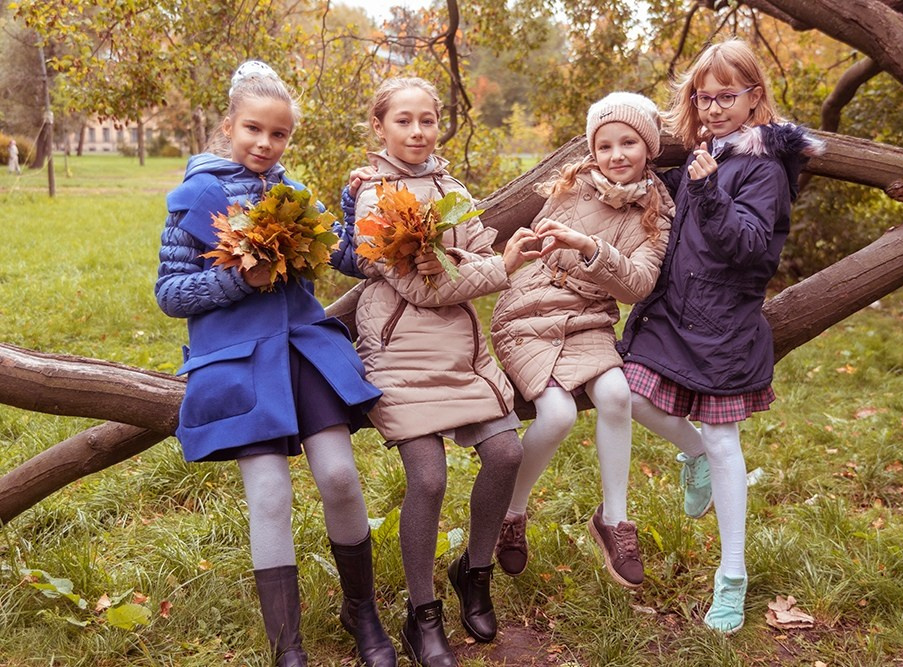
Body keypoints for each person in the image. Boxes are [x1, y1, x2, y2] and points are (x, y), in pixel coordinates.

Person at [154, 61, 396, 667]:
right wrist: (238, 278)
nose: (265, 144)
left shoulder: (294, 194)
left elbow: (349, 255)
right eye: (253, 130)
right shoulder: (194, 200)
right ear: (229, 126)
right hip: (237, 357)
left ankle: (360, 610)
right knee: (268, 493)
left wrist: (356, 200)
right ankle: (287, 645)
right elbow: (169, 293)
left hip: (300, 348)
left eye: (279, 134)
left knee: (340, 476)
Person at [616, 39, 824, 633]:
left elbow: (753, 251)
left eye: (726, 96)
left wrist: (705, 193)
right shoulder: (711, 152)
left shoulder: (764, 167)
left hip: (725, 326)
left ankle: (731, 576)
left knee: (726, 441)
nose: (712, 108)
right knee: (627, 395)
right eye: (703, 98)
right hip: (672, 317)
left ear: (754, 96)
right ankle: (693, 454)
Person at [344, 76, 523, 667]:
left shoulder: (451, 187)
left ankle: (474, 571)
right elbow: (417, 290)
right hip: (399, 352)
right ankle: (423, 612)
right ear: (380, 127)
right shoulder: (373, 198)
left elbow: (470, 251)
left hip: (461, 351)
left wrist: (460, 262)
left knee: (505, 455)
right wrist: (491, 268)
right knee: (427, 477)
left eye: (427, 120)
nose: (418, 131)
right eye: (404, 120)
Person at [490, 92, 674, 589]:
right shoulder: (572, 186)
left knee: (616, 395)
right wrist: (530, 247)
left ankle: (614, 521)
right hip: (530, 310)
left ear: (648, 147)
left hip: (590, 315)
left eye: (629, 143)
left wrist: (591, 247)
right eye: (605, 144)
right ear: (592, 150)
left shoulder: (658, 212)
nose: (617, 155)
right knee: (558, 414)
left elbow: (637, 285)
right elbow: (539, 248)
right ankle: (511, 512)